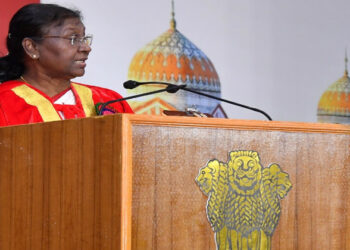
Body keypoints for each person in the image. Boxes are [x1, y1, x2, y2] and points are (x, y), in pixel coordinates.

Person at [0, 3, 133, 127]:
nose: (86, 48)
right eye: (73, 39)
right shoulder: (4, 102)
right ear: (32, 47)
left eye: (84, 39)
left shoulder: (107, 100)